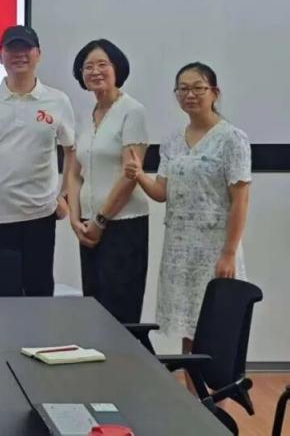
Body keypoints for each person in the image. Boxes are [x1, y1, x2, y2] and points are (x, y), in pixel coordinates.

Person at [125, 62, 251, 350]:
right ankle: (191, 380)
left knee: (216, 322)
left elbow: (241, 200)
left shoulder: (232, 139)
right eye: (183, 89)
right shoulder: (172, 140)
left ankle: (215, 383)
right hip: (180, 250)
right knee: (189, 325)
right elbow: (161, 193)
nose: (189, 95)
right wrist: (139, 174)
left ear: (214, 92)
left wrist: (229, 253)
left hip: (215, 247)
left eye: (198, 88)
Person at [0, 25, 75, 296]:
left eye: (26, 48)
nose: (19, 55)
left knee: (38, 297)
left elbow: (71, 150)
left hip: (39, 216)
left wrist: (64, 195)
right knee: (0, 301)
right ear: (0, 56)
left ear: (38, 54)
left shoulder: (58, 101)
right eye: (12, 49)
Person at [67, 39, 149, 323]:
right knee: (94, 306)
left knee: (120, 312)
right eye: (87, 67)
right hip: (88, 226)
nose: (95, 71)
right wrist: (75, 219)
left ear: (117, 68)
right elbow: (74, 172)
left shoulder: (132, 111)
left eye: (102, 64)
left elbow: (130, 175)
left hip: (123, 225)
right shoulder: (86, 116)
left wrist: (100, 220)